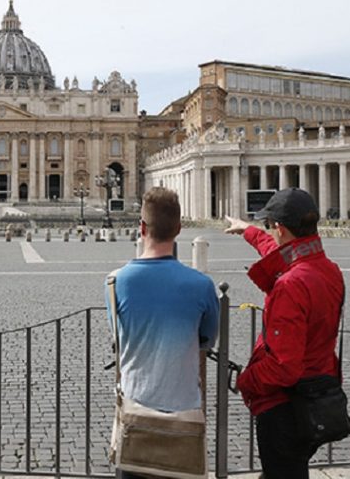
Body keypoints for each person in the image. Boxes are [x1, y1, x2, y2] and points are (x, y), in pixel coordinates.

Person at [224, 188, 345, 479]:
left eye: (270, 226)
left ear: (279, 227)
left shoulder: (290, 285)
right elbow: (279, 253)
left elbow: (283, 367)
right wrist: (248, 231)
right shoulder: (328, 269)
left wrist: (245, 381)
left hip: (285, 406)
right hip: (319, 395)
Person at [106, 187, 219, 479]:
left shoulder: (116, 283)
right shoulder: (202, 286)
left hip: (135, 413)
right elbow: (207, 339)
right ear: (179, 229)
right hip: (184, 414)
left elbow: (118, 338)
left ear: (141, 227)